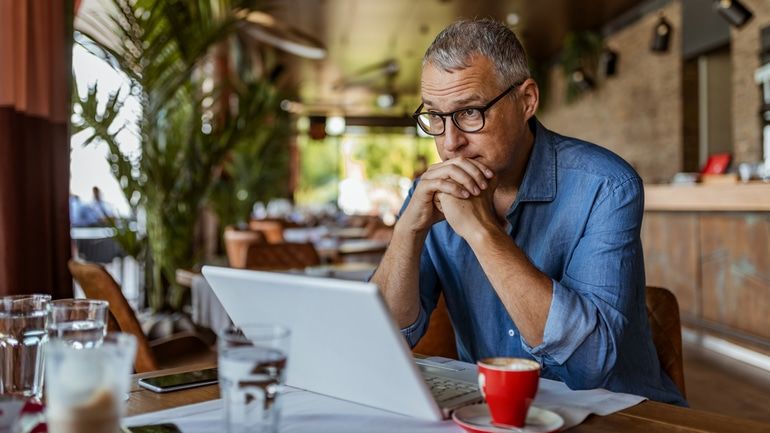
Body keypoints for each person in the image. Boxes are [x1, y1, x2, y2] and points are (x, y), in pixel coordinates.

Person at [370, 19, 686, 406]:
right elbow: (381, 341)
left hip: (618, 415)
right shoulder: (430, 194)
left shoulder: (605, 185)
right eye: (435, 116)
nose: (450, 143)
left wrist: (482, 232)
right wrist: (407, 231)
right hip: (496, 414)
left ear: (527, 101)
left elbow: (589, 366)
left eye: (470, 112)